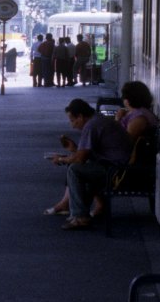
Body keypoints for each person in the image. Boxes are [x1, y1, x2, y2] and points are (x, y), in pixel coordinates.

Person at [47, 99, 132, 230]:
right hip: (118, 165)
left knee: (75, 170)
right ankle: (82, 210)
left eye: (73, 120)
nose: (72, 126)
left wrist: (61, 159)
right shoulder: (98, 120)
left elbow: (80, 159)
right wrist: (73, 150)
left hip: (116, 169)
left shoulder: (92, 126)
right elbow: (85, 155)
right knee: (80, 168)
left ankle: (80, 216)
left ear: (80, 116)